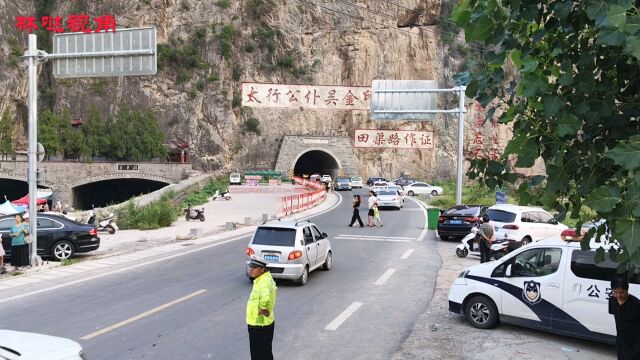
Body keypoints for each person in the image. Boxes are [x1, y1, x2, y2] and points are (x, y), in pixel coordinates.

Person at [246, 256, 277, 360]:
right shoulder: (266, 278)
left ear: (262, 269)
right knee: (266, 352)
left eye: (255, 267)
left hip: (259, 324)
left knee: (258, 355)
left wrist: (262, 310)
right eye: (251, 266)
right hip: (265, 323)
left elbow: (266, 298)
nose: (251, 269)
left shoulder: (263, 282)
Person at [609, 276, 640, 359]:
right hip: (620, 341)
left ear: (627, 290)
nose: (618, 295)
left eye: (622, 292)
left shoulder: (636, 304)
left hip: (635, 342)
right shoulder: (612, 300)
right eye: (615, 292)